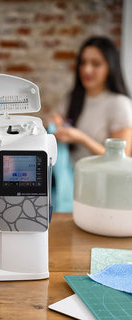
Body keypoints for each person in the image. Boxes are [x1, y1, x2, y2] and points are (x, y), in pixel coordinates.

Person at [50, 36, 132, 212]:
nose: (86, 69)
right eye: (83, 62)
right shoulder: (72, 98)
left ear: (110, 67)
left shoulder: (119, 104)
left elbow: (122, 157)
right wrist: (57, 126)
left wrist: (80, 137)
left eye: (96, 64)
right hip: (68, 188)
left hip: (102, 194)